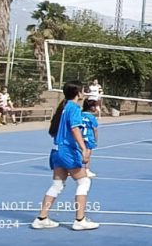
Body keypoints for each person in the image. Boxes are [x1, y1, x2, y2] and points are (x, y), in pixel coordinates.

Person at [32, 80, 98, 231]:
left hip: (57, 150)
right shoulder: (74, 108)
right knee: (84, 182)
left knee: (57, 185)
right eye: (83, 90)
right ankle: (80, 220)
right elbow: (75, 129)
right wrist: (83, 148)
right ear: (78, 93)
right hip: (67, 150)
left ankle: (41, 218)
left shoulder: (63, 107)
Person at [79, 99, 99, 179]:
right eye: (95, 106)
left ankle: (74, 168)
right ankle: (86, 169)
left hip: (79, 135)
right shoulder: (91, 117)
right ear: (91, 107)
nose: (96, 108)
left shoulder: (80, 114)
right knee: (88, 152)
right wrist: (96, 140)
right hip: (89, 136)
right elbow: (95, 129)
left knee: (79, 151)